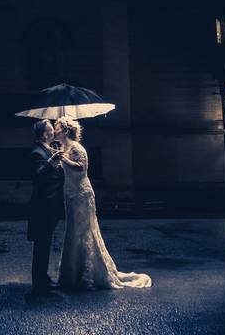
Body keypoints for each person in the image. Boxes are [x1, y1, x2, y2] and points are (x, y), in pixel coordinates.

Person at [55, 116, 151, 290]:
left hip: (81, 194)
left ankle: (87, 275)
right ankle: (71, 273)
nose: (55, 130)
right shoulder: (63, 147)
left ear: (65, 131)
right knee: (72, 232)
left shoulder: (76, 147)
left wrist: (64, 159)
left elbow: (81, 168)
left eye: (57, 128)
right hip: (69, 193)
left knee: (83, 232)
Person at [28, 119, 65, 292]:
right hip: (43, 206)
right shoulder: (37, 152)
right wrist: (51, 162)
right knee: (41, 244)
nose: (54, 132)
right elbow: (38, 176)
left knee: (46, 243)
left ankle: (43, 277)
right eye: (51, 130)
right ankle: (39, 282)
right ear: (44, 134)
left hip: (51, 205)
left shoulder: (49, 149)